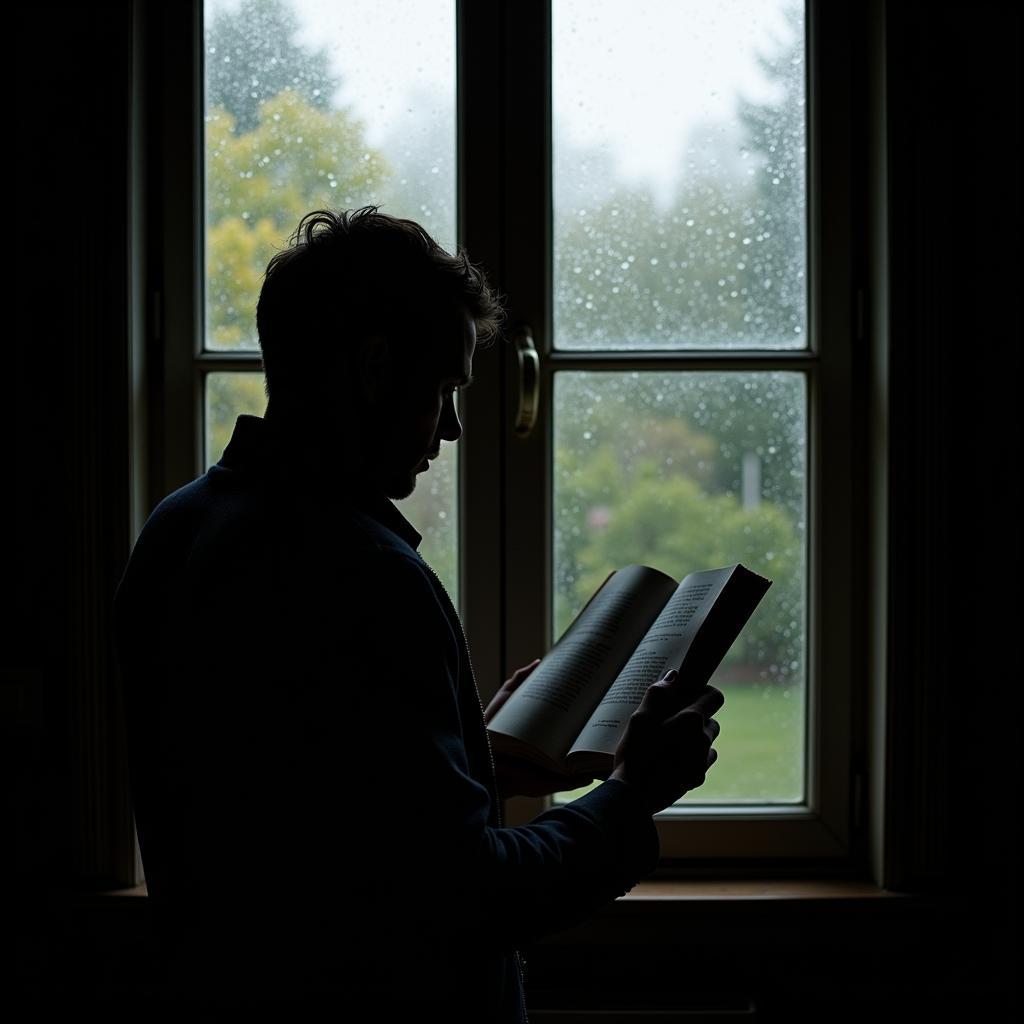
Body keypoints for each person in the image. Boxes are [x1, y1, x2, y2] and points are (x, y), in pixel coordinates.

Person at [114, 206, 724, 1020]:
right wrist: (632, 793)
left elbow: (308, 820)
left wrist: (479, 766)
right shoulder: (360, 572)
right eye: (443, 389)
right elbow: (462, 901)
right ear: (371, 370)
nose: (455, 428)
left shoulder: (177, 529)